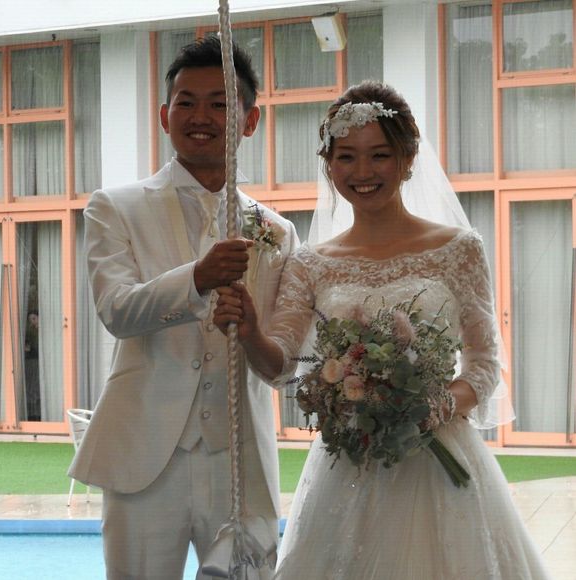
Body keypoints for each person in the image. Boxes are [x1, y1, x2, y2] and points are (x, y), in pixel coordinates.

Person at [214, 81, 552, 579]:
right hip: (348, 467)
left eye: (379, 155)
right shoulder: (310, 263)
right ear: (329, 164)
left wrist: (428, 409)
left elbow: (483, 366)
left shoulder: (458, 249)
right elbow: (280, 365)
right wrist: (249, 332)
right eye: (346, 157)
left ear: (407, 159)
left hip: (438, 460)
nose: (362, 172)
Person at [68, 37, 298, 580]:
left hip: (239, 461)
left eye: (220, 104)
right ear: (164, 116)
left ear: (249, 120)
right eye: (186, 102)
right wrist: (197, 278)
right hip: (145, 458)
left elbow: (284, 366)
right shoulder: (114, 208)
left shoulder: (278, 231)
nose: (201, 116)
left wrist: (254, 332)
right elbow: (117, 311)